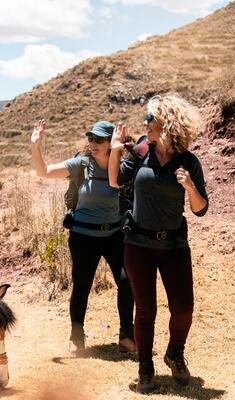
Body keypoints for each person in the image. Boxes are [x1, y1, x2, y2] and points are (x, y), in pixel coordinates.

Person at [108, 94, 208, 393]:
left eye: (149, 118)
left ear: (165, 122)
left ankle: (174, 353)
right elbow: (115, 182)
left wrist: (189, 186)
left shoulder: (188, 161)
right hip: (138, 245)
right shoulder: (140, 152)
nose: (145, 123)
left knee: (183, 309)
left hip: (175, 246)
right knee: (146, 310)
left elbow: (201, 209)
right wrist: (115, 152)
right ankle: (145, 369)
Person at [31, 119, 135, 355]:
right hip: (83, 236)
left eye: (99, 139)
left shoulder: (123, 164)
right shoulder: (81, 164)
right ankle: (76, 337)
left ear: (112, 142)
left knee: (126, 281)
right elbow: (43, 172)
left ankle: (127, 336)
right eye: (91, 139)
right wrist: (36, 146)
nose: (93, 143)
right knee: (82, 287)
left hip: (114, 235)